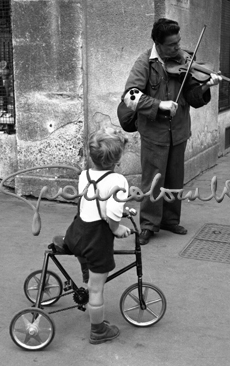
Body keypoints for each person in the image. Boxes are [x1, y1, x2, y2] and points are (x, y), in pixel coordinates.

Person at [122, 18, 222, 245]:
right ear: (158, 43)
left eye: (178, 42)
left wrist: (206, 86)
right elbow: (130, 96)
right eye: (172, 45)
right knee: (153, 182)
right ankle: (148, 224)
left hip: (178, 131)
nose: (178, 49)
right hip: (154, 133)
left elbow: (192, 98)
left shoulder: (185, 60)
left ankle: (169, 219)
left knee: (175, 179)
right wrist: (159, 105)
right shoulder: (144, 63)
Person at [64, 127, 131, 344]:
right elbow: (111, 215)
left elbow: (94, 201)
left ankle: (87, 270)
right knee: (96, 289)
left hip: (76, 233)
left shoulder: (84, 175)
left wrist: (124, 210)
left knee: (89, 264)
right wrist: (117, 228)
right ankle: (98, 331)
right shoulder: (118, 182)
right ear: (117, 161)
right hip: (96, 239)